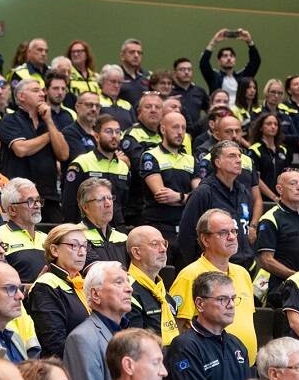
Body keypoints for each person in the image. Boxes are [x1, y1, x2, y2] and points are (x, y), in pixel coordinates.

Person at [165, 271, 252, 380]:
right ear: (200, 304)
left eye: (233, 298)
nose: (231, 305)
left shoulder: (237, 345)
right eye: (222, 299)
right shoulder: (185, 346)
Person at [170, 208, 257, 362]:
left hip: (245, 366)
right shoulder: (189, 275)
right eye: (223, 233)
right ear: (205, 239)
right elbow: (177, 327)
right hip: (209, 366)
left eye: (234, 231)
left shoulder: (242, 273)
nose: (232, 237)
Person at [62, 261, 133, 380]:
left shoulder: (132, 335)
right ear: (95, 294)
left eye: (128, 282)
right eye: (118, 282)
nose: (129, 288)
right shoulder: (82, 339)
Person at [0, 79, 69, 219]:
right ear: (21, 96)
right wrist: (49, 136)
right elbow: (21, 149)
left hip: (49, 196)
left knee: (53, 237)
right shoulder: (10, 120)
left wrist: (49, 122)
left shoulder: (49, 122)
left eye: (42, 90)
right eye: (36, 91)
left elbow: (64, 154)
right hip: (20, 197)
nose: (42, 94)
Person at [179, 140, 256, 269]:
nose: (238, 160)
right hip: (213, 270)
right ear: (217, 162)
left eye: (239, 156)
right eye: (232, 156)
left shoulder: (243, 191)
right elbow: (186, 236)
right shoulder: (203, 193)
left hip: (243, 268)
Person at [135, 108, 197, 253]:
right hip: (159, 227)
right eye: (175, 127)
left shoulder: (191, 160)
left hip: (185, 228)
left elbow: (198, 197)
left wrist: (179, 197)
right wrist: (187, 198)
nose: (180, 132)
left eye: (183, 128)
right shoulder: (151, 156)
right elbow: (161, 195)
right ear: (163, 129)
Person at [26, 223, 91, 359]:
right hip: (68, 367)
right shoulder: (45, 286)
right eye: (74, 245)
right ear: (55, 250)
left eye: (84, 245)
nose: (82, 252)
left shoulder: (83, 282)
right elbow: (54, 345)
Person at [256, 169, 299, 304]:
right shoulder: (270, 219)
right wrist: (297, 277)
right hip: (282, 285)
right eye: (293, 183)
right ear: (279, 189)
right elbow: (266, 260)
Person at [61, 115, 129, 225]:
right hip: (87, 228)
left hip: (116, 228)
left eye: (117, 132)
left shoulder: (123, 167)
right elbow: (69, 203)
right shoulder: (81, 163)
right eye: (108, 131)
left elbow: (124, 204)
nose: (114, 136)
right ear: (96, 136)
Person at [124, 225, 178, 345]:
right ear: (136, 252)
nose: (163, 249)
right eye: (155, 244)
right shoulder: (127, 291)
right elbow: (134, 345)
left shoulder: (163, 292)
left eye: (164, 243)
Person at [0, 177, 47, 283]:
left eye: (38, 200)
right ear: (12, 210)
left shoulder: (48, 238)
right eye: (30, 201)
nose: (37, 205)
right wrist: (32, 288)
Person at [76, 177, 128, 267]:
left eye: (110, 198)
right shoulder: (77, 236)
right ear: (85, 207)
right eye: (100, 200)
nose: (108, 204)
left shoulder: (122, 237)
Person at [198, 28, 260, 97]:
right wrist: (214, 41)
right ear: (219, 61)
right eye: (225, 56)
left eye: (231, 56)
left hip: (239, 108)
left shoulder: (242, 78)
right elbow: (203, 63)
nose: (229, 58)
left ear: (235, 61)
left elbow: (255, 62)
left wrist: (249, 42)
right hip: (220, 107)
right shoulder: (214, 77)